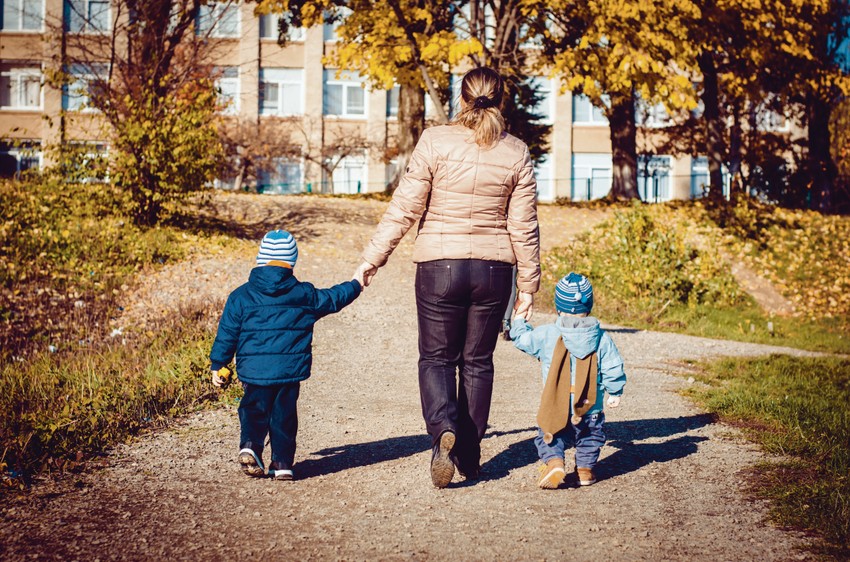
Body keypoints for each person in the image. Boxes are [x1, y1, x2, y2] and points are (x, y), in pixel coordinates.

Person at [355, 67, 541, 488]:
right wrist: (528, 287)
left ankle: (443, 432)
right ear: (501, 99)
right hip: (494, 272)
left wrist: (372, 259)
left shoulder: (435, 141)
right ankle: (471, 455)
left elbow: (405, 207)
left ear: (462, 98)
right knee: (478, 362)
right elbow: (524, 226)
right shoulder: (515, 152)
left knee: (437, 358)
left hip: (440, 267)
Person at [210, 229, 363, 481]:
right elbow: (334, 298)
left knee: (254, 409)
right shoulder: (304, 294)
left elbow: (227, 332)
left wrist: (219, 363)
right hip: (289, 371)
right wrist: (356, 284)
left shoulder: (240, 296)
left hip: (255, 372)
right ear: (291, 262)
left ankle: (250, 446)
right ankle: (282, 464)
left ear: (260, 259)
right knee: (284, 415)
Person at [510, 272, 626, 489]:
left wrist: (518, 322)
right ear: (589, 306)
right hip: (590, 407)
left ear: (558, 306)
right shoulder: (600, 337)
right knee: (590, 438)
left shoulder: (548, 334)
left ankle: (554, 462)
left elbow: (523, 340)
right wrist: (615, 391)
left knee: (550, 435)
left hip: (557, 405)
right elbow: (612, 365)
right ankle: (584, 470)